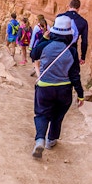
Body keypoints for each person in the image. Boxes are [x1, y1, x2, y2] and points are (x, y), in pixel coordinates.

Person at [29, 16, 84, 159]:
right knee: (57, 117)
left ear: (53, 31)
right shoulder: (71, 51)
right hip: (64, 89)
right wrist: (80, 94)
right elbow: (75, 75)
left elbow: (33, 54)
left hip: (45, 87)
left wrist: (44, 39)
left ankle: (40, 139)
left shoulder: (45, 45)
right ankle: (51, 140)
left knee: (42, 114)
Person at [57, 0, 88, 65]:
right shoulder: (83, 22)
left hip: (58, 48)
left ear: (69, 6)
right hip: (72, 50)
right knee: (73, 73)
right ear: (79, 8)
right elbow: (84, 41)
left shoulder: (59, 17)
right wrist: (83, 57)